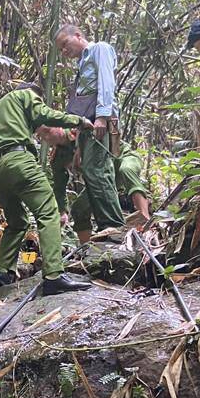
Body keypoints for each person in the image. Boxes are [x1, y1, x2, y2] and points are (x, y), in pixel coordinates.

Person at [0, 83, 93, 295]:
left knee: (17, 222)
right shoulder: (25, 95)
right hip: (18, 160)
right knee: (47, 212)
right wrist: (78, 121)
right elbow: (43, 114)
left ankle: (1, 272)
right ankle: (54, 275)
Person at [54, 24, 125, 239]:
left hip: (98, 120)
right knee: (90, 169)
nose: (64, 52)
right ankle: (105, 226)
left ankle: (113, 225)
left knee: (98, 169)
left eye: (65, 44)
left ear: (78, 35)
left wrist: (103, 116)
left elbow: (106, 82)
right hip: (87, 123)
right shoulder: (82, 63)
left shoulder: (99, 49)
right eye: (61, 49)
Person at [40, 128, 151, 242]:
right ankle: (87, 248)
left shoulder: (82, 131)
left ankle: (144, 216)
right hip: (102, 178)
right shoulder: (58, 157)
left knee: (126, 169)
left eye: (48, 132)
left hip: (123, 159)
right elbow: (59, 184)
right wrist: (62, 210)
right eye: (42, 135)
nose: (47, 137)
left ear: (58, 128)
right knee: (79, 209)